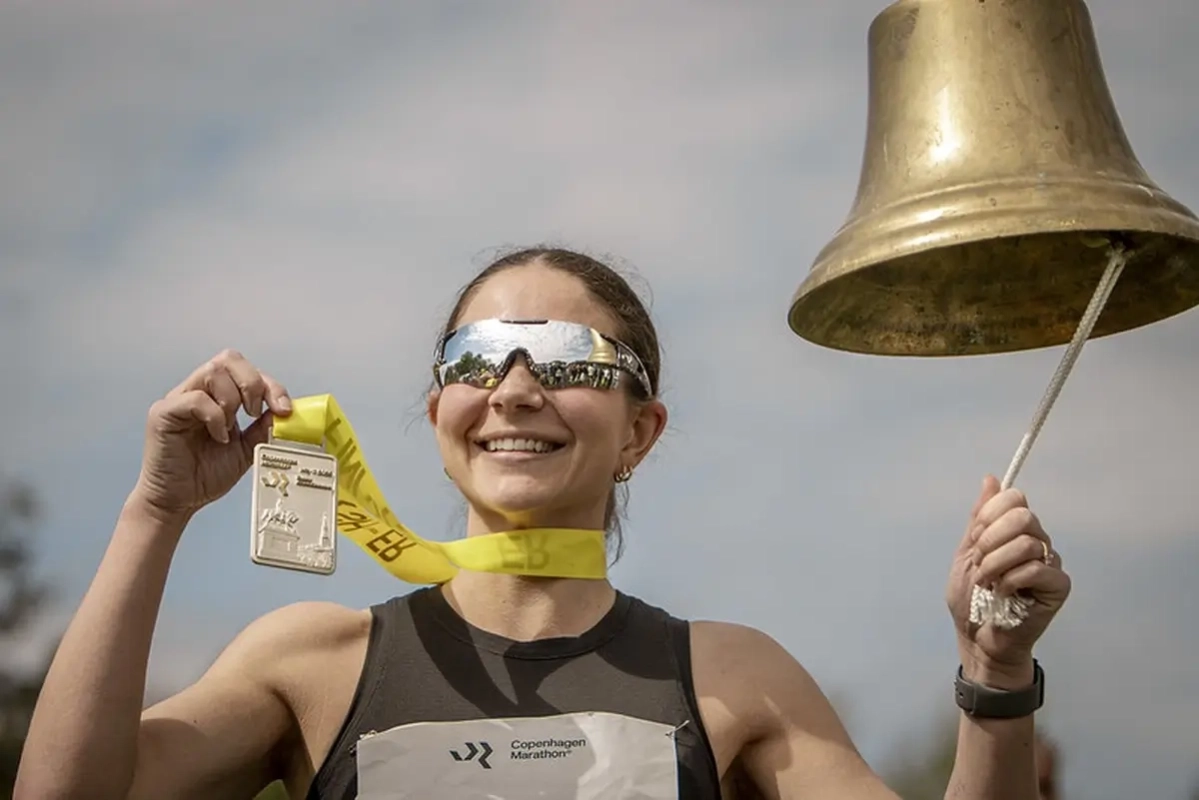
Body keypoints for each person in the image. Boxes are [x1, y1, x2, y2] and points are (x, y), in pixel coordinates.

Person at [14, 247, 1071, 800]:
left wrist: (994, 671)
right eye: (476, 360)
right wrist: (155, 511)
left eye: (571, 360)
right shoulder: (309, 661)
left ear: (639, 430)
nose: (515, 388)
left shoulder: (735, 678)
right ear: (440, 409)